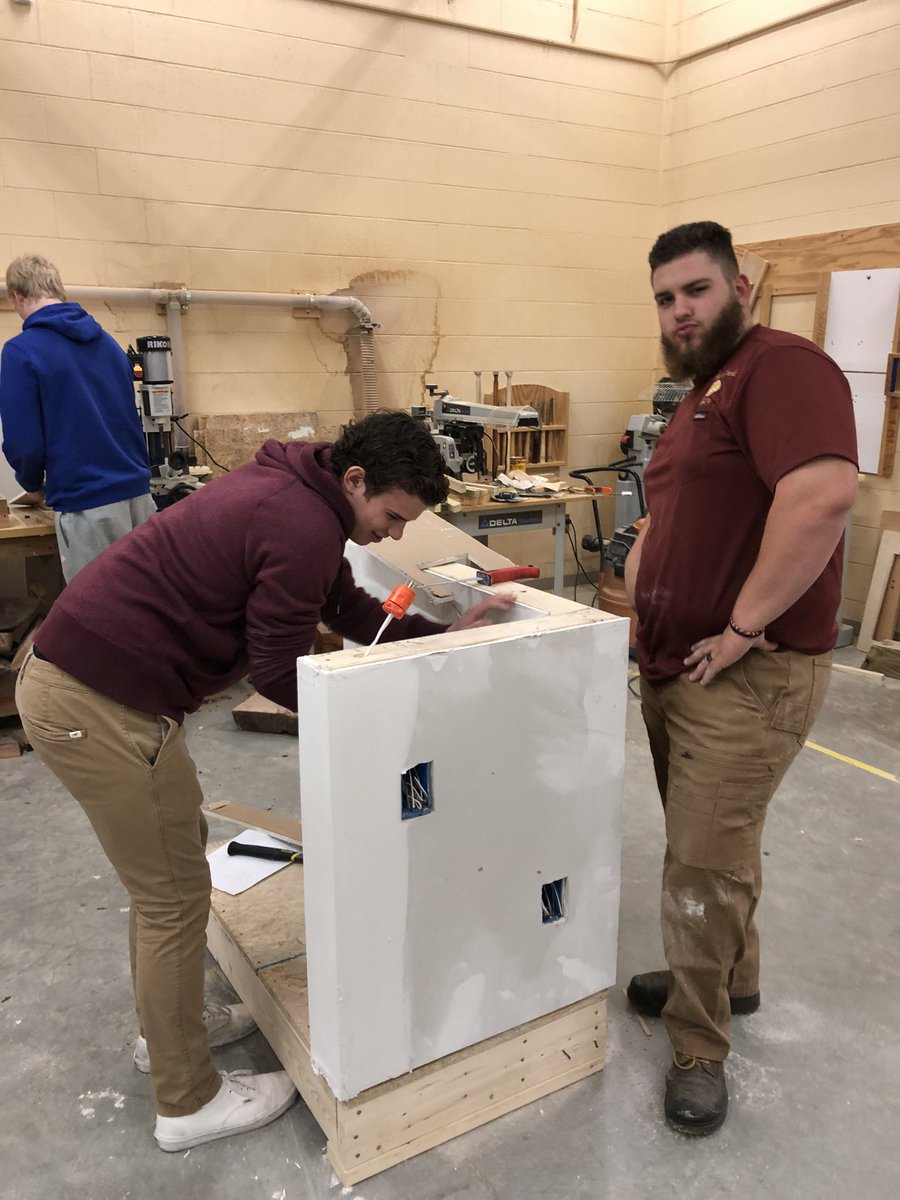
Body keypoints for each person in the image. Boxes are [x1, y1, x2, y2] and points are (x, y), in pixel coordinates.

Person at [15, 410, 515, 1151]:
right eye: (392, 515)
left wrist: (442, 638)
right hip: (99, 703)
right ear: (354, 481)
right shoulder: (299, 523)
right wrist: (376, 726)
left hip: (105, 690)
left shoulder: (298, 498)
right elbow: (280, 670)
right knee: (172, 901)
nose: (395, 535)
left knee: (176, 876)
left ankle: (173, 1032)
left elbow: (343, 608)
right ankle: (186, 1100)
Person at [624, 221, 858, 1136]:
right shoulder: (698, 397)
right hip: (677, 666)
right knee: (716, 848)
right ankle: (734, 978)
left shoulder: (784, 370)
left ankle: (699, 1043)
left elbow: (823, 496)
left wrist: (740, 626)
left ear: (740, 290)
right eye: (665, 298)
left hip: (745, 677)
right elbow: (666, 521)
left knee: (698, 868)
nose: (679, 311)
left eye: (696, 291)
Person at [0, 254, 154, 581]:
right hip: (139, 498)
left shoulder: (21, 351)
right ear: (59, 290)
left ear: (16, 296)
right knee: (146, 606)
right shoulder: (109, 344)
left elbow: (24, 444)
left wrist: (31, 483)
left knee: (99, 618)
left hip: (88, 505)